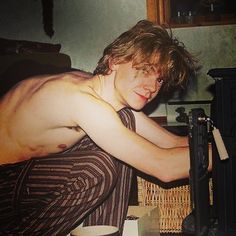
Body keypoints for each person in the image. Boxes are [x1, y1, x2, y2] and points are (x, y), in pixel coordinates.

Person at [0, 20, 207, 236]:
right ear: (115, 60)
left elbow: (172, 142)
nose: (152, 87)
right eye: (145, 70)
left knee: (126, 121)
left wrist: (218, 140)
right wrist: (226, 155)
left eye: (160, 79)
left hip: (19, 177)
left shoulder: (102, 94)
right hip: (4, 187)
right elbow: (164, 167)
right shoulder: (81, 100)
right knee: (96, 169)